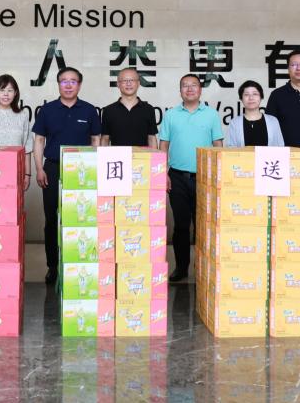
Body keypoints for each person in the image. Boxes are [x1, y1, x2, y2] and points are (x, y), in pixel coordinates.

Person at [32, 68, 102, 284]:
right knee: (52, 219)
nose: (69, 85)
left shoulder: (89, 110)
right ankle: (52, 266)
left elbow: (96, 140)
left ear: (79, 85)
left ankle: (79, 262)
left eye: (73, 81)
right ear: (58, 84)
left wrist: (94, 168)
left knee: (81, 218)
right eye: (64, 81)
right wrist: (39, 168)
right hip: (53, 168)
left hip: (82, 170)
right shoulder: (47, 110)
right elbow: (39, 141)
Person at [159, 74, 223, 283]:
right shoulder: (171, 115)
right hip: (177, 177)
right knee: (181, 225)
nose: (189, 89)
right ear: (180, 91)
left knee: (203, 225)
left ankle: (202, 267)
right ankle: (181, 267)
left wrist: (217, 175)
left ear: (200, 89)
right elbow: (163, 145)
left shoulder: (211, 115)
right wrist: (163, 173)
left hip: (205, 177)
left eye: (193, 85)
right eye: (184, 86)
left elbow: (218, 146)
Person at [100, 67, 158, 148]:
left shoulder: (148, 109)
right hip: (117, 156)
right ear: (118, 84)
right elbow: (105, 139)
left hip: (142, 156)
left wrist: (155, 156)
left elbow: (151, 138)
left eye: (132, 80)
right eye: (124, 80)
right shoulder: (108, 111)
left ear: (138, 83)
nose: (128, 83)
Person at [224, 79, 285, 147]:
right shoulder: (235, 123)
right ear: (241, 98)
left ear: (261, 97)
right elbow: (230, 148)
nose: (251, 98)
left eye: (255, 94)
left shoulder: (273, 121)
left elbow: (280, 147)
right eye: (246, 95)